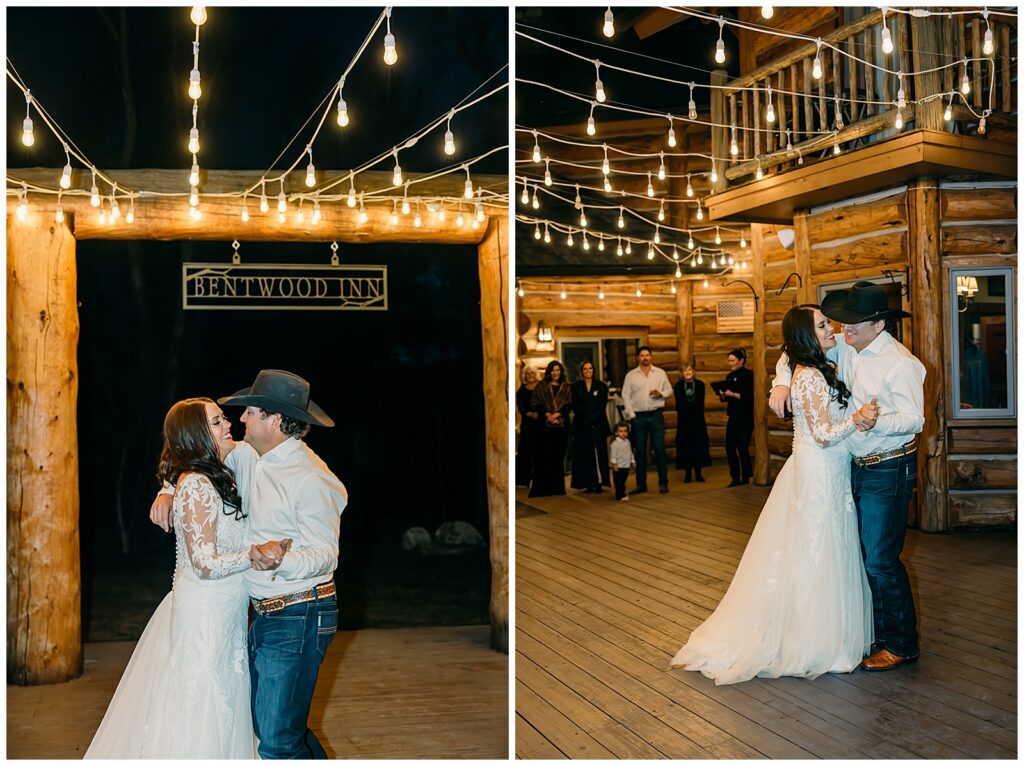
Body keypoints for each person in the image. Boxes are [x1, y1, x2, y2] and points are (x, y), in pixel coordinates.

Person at [671, 306, 881, 685]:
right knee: (818, 547)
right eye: (822, 325)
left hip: (826, 470)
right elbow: (823, 434)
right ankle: (815, 640)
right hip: (818, 471)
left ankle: (824, 632)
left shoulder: (816, 366)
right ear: (806, 335)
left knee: (824, 546)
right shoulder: (810, 378)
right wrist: (858, 417)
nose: (830, 328)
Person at [150, 369, 348, 758]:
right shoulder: (247, 455)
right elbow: (194, 450)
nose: (240, 420)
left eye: (251, 413)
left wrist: (279, 560)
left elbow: (327, 554)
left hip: (300, 611)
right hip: (259, 614)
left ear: (274, 421)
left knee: (275, 738)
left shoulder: (310, 477)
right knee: (276, 726)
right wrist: (167, 489)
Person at [87, 398, 287, 758]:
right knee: (201, 699)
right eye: (216, 422)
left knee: (225, 694)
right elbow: (205, 564)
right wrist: (253, 554)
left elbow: (179, 464)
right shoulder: (196, 484)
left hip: (227, 611)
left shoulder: (221, 471)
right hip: (205, 613)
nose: (228, 424)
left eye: (223, 418)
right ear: (197, 434)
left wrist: (166, 488)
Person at [770, 283, 925, 672]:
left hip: (888, 465)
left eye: (853, 323)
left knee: (880, 561)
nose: (843, 329)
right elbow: (794, 349)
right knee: (857, 556)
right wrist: (781, 383)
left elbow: (915, 419)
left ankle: (901, 644)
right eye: (840, 323)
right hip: (849, 465)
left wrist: (873, 423)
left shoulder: (900, 363)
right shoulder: (849, 343)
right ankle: (871, 634)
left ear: (878, 324)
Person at [621, 346, 673, 494]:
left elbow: (670, 390)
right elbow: (626, 395)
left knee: (659, 449)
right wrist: (631, 415)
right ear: (638, 358)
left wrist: (660, 393)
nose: (645, 358)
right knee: (640, 452)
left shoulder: (660, 373)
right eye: (642, 355)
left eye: (647, 355)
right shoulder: (631, 375)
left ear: (651, 357)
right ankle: (641, 484)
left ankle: (663, 483)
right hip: (639, 417)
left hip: (656, 415)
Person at [528, 360, 572, 497]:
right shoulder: (541, 386)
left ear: (561, 372)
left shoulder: (567, 387)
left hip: (561, 425)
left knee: (558, 456)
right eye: (553, 370)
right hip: (544, 426)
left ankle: (557, 488)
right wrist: (548, 414)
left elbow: (570, 404)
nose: (555, 373)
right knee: (543, 455)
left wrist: (557, 414)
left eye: (558, 370)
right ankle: (542, 489)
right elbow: (535, 403)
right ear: (549, 372)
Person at [570, 360, 611, 494]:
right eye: (585, 369)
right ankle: (587, 483)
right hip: (582, 424)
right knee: (584, 454)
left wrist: (592, 418)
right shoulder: (576, 387)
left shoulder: (601, 386)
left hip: (598, 424)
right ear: (581, 371)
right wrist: (585, 419)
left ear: (594, 370)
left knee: (599, 453)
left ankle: (599, 482)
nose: (588, 371)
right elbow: (575, 405)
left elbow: (601, 406)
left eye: (590, 369)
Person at [719, 348, 754, 486]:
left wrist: (733, 394)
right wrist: (723, 395)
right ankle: (734, 477)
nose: (730, 363)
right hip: (733, 416)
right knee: (729, 447)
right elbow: (726, 398)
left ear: (742, 361)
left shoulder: (748, 376)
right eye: (729, 361)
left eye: (733, 360)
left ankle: (745, 476)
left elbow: (748, 397)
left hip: (745, 417)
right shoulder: (729, 376)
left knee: (742, 447)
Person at [673, 363, 712, 483]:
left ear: (693, 371)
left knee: (698, 446)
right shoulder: (678, 386)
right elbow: (679, 405)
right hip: (684, 421)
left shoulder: (700, 385)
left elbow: (700, 403)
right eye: (685, 371)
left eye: (690, 370)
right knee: (686, 447)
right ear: (682, 373)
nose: (688, 373)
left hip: (698, 420)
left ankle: (698, 473)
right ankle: (688, 474)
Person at [515, 365, 542, 488]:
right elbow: (521, 406)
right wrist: (530, 413)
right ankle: (523, 480)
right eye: (528, 374)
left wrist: (540, 413)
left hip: (541, 423)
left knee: (540, 451)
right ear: (524, 376)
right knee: (526, 450)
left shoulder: (542, 388)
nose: (530, 375)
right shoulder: (521, 390)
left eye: (532, 373)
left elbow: (546, 402)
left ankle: (540, 480)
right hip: (528, 424)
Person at [608, 422, 636, 501]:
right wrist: (614, 464)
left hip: (626, 465)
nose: (623, 433)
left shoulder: (628, 442)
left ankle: (622, 493)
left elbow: (630, 452)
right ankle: (619, 495)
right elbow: (613, 455)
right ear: (616, 433)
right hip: (618, 466)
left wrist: (632, 461)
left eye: (625, 431)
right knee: (618, 482)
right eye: (620, 431)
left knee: (623, 480)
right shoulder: (615, 444)